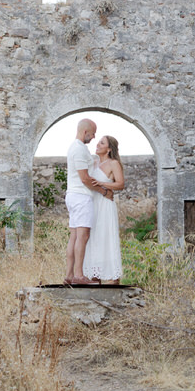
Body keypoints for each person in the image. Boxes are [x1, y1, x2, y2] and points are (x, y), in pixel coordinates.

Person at [64, 118, 115, 285]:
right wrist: (103, 191)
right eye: (92, 134)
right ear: (85, 132)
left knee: (74, 237)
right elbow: (85, 178)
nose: (93, 138)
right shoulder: (78, 149)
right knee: (83, 236)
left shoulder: (78, 148)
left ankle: (70, 275)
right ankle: (79, 275)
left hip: (74, 195)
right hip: (81, 197)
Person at [83, 136, 124, 284]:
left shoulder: (114, 164)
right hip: (92, 204)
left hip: (105, 205)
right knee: (93, 238)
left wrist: (102, 184)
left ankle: (114, 279)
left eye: (102, 143)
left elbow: (120, 184)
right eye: (98, 142)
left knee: (106, 237)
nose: (97, 144)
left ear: (109, 149)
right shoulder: (93, 163)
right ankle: (95, 276)